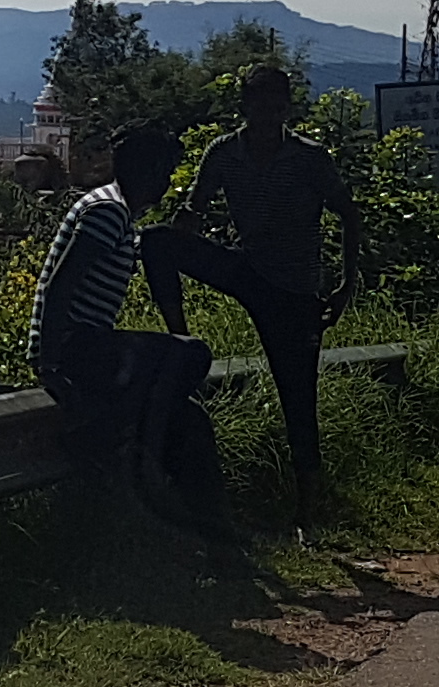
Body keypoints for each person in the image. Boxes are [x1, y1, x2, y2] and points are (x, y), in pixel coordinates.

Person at [146, 63, 364, 508]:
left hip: (295, 290)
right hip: (247, 269)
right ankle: (179, 341)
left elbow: (349, 215)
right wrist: (187, 221)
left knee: (298, 395)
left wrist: (345, 285)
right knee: (155, 242)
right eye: (259, 108)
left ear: (286, 110)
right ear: (245, 108)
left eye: (275, 109)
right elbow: (196, 208)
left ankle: (309, 499)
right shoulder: (224, 152)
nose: (267, 118)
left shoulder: (309, 158)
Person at [28, 123, 217, 511]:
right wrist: (49, 364)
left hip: (82, 345)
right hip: (75, 346)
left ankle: (200, 521)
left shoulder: (118, 213)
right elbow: (61, 286)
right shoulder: (108, 212)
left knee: (189, 419)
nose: (167, 182)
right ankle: (99, 435)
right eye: (164, 172)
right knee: (190, 354)